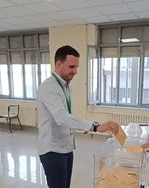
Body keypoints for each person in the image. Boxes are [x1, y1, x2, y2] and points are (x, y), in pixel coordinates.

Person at [36, 45, 119, 188]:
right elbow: (61, 117)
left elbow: (67, 115)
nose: (75, 71)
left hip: (67, 147)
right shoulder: (49, 87)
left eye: (77, 67)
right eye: (71, 67)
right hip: (53, 150)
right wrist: (95, 126)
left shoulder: (67, 86)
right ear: (58, 64)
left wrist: (79, 127)